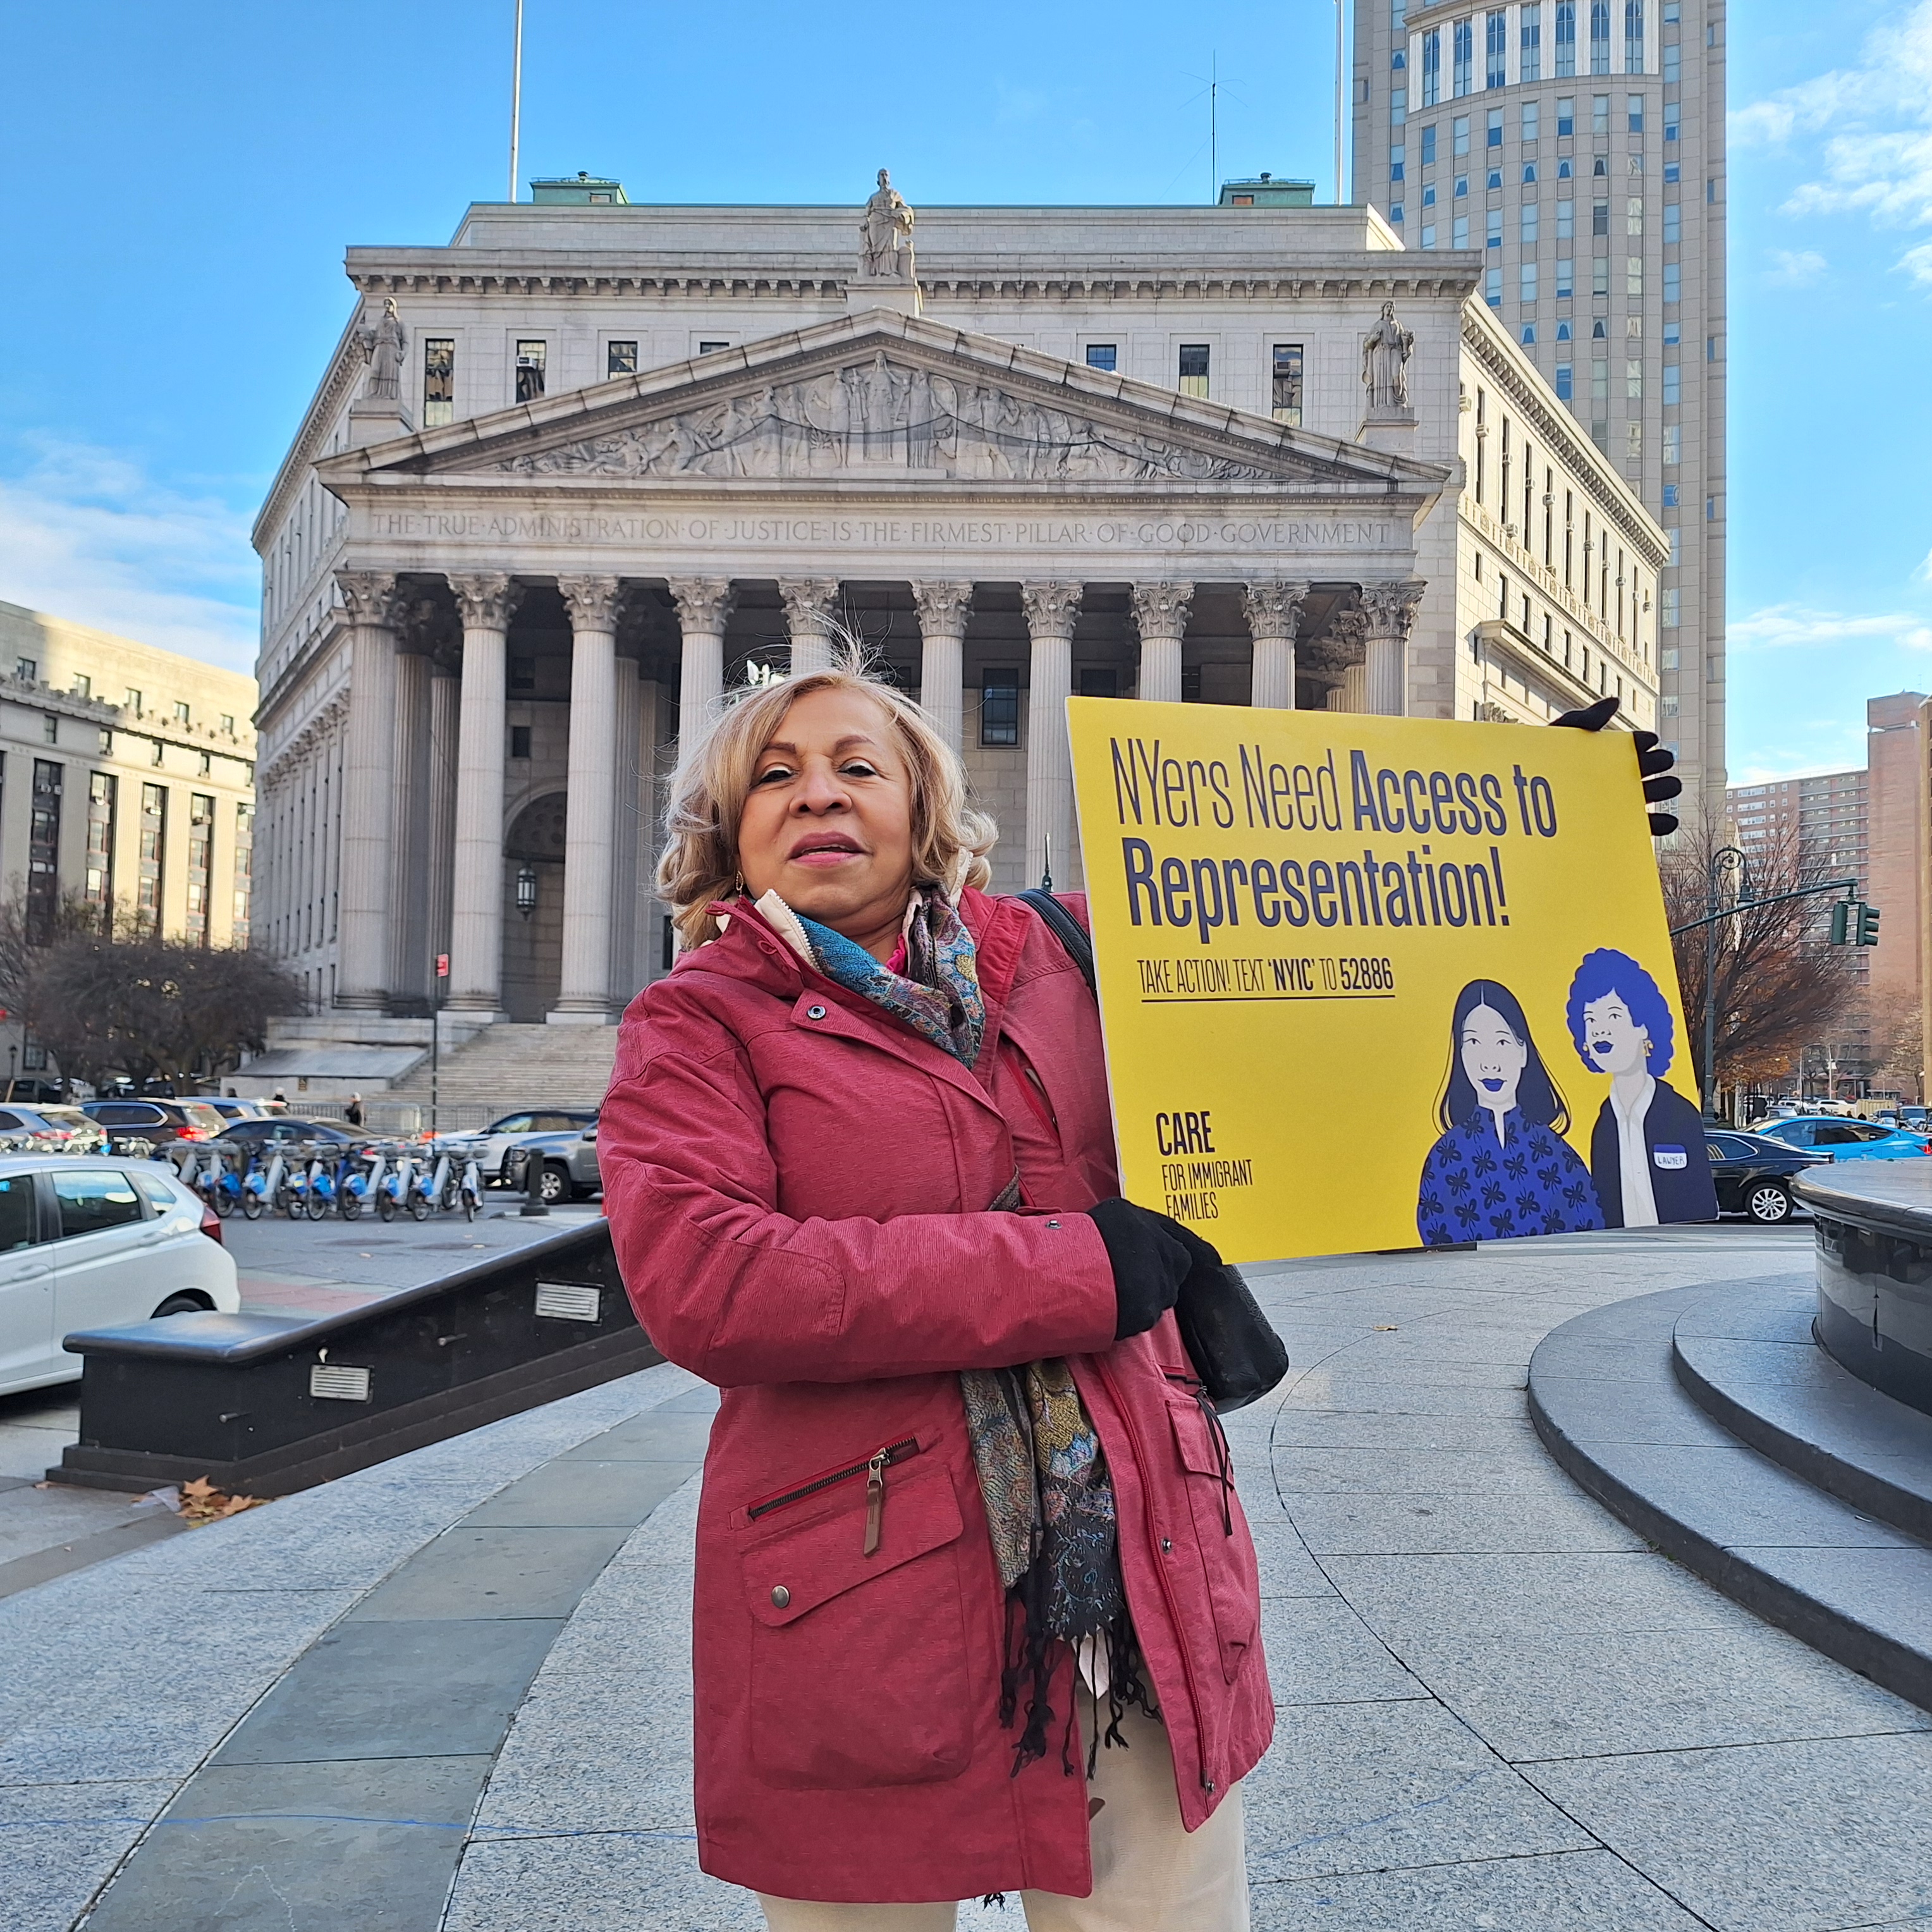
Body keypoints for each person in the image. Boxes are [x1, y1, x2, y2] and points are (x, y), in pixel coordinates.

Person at [599, 654, 1269, 1928]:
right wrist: (1077, 1269)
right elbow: (714, 1283)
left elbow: (1312, 939)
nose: (816, 797)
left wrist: (1551, 820)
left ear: (921, 809)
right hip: (864, 1605)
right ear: (731, 833)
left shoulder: (1071, 956)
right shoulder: (695, 1025)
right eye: (775, 778)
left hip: (1134, 1577)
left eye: (858, 767)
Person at [1416, 978, 1604, 1245]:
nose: (1489, 1063)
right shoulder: (1444, 1158)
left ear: (1523, 1052)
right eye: (1474, 1043)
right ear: (1460, 1054)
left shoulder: (1559, 1156)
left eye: (1502, 1043)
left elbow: (1590, 1232)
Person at [1565, 948, 1716, 1227]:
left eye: (1613, 1016)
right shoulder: (1601, 1126)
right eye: (1590, 1019)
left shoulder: (1681, 1117)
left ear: (1643, 1026)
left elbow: (1699, 1206)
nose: (1600, 1030)